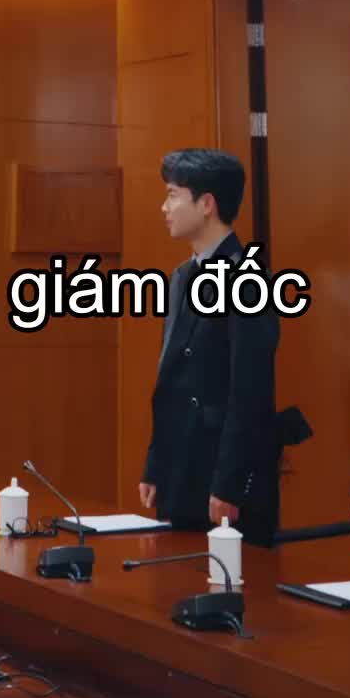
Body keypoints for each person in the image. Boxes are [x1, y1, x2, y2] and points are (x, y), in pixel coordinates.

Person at [139, 148, 280, 545]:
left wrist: (228, 484)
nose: (164, 207)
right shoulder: (182, 276)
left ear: (206, 205)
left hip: (220, 476)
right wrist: (155, 464)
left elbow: (249, 391)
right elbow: (169, 380)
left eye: (172, 195)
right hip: (180, 467)